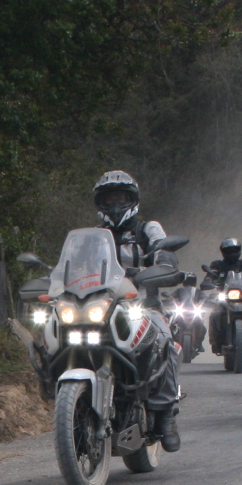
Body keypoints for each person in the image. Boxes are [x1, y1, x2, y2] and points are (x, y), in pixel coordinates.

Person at [92, 170, 182, 450]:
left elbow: (162, 249)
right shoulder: (93, 237)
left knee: (164, 341)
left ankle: (166, 414)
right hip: (101, 307)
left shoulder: (148, 228)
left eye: (121, 198)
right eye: (110, 199)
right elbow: (75, 266)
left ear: (132, 200)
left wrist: (164, 262)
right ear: (100, 203)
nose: (116, 205)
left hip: (143, 304)